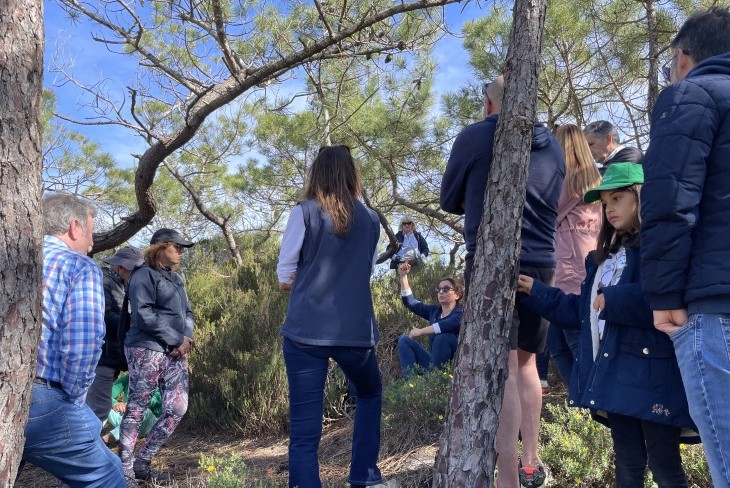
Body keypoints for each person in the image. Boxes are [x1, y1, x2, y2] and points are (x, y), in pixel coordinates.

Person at [518, 163, 697, 487]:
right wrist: (536, 291)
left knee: (664, 464)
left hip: (655, 374)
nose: (610, 209)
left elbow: (668, 300)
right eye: (605, 202)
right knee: (627, 465)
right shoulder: (603, 259)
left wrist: (614, 300)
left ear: (642, 198)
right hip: (616, 375)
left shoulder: (661, 249)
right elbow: (580, 313)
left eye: (617, 198)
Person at [440, 76, 565, 488]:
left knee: (506, 365)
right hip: (543, 262)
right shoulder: (555, 145)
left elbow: (448, 199)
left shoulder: (475, 137)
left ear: (489, 106)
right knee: (528, 363)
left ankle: (508, 478)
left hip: (494, 260)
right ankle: (532, 463)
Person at [640, 7, 730, 485]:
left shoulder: (691, 94)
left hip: (716, 307)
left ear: (683, 56)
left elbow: (670, 201)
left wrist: (665, 295)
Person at [277, 145, 383, 488]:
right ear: (353, 174)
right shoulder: (370, 219)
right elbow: (366, 271)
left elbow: (284, 277)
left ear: (316, 173)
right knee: (369, 394)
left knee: (304, 431)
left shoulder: (304, 212)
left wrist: (307, 280)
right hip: (356, 332)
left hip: (305, 332)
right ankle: (364, 478)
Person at [22, 193, 131, 488]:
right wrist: (73, 401)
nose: (92, 242)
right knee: (109, 477)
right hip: (42, 399)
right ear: (74, 227)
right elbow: (81, 347)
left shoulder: (13, 259)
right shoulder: (78, 266)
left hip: (14, 394)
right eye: (91, 232)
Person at [119, 228, 195, 482]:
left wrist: (185, 340)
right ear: (160, 248)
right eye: (178, 247)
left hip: (175, 352)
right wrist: (174, 339)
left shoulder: (176, 279)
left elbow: (188, 314)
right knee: (137, 408)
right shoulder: (142, 275)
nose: (181, 252)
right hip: (146, 348)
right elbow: (143, 314)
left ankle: (143, 462)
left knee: (177, 407)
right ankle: (125, 472)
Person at [539, 125, 603, 387]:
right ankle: (585, 396)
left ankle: (588, 397)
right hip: (585, 270)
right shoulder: (594, 178)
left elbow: (545, 209)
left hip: (570, 273)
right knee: (561, 342)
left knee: (571, 343)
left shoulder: (568, 178)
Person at [86, 246, 144, 422]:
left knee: (97, 408)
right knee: (97, 409)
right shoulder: (103, 283)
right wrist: (133, 324)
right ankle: (87, 447)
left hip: (113, 356)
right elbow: (104, 316)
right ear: (122, 267)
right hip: (103, 356)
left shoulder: (122, 285)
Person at [396, 262, 463, 377]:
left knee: (443, 337)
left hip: (452, 372)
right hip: (432, 366)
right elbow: (411, 302)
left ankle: (434, 383)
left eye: (446, 289)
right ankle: (411, 387)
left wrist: (421, 331)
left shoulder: (461, 313)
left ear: (457, 295)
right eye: (439, 289)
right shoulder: (434, 311)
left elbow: (446, 325)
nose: (441, 292)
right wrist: (403, 276)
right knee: (404, 340)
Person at [102, 374, 161, 447]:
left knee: (141, 411)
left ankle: (108, 439)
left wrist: (136, 403)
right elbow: (106, 395)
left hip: (146, 422)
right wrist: (115, 404)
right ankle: (93, 433)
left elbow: (158, 405)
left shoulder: (158, 380)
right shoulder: (128, 377)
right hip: (123, 417)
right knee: (101, 403)